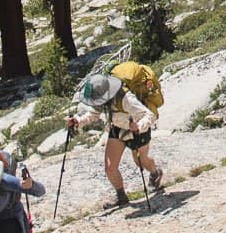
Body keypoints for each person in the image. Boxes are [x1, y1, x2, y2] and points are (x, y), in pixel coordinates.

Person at [69, 72, 162, 208]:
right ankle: (121, 196)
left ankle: (155, 173)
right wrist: (78, 121)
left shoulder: (126, 98)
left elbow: (150, 115)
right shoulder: (104, 99)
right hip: (117, 128)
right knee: (110, 167)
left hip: (137, 130)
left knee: (140, 161)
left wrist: (139, 126)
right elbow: (94, 113)